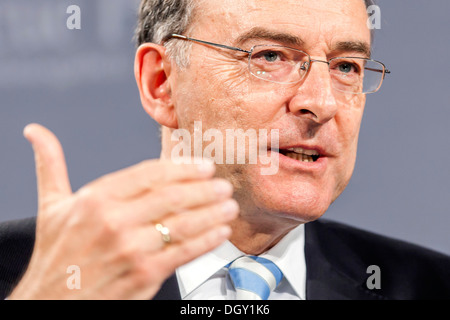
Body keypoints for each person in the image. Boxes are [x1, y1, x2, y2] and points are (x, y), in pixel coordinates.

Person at [1, 0, 450, 300]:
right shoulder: (24, 276)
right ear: (162, 84)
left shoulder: (431, 286)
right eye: (270, 56)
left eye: (346, 66)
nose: (322, 102)